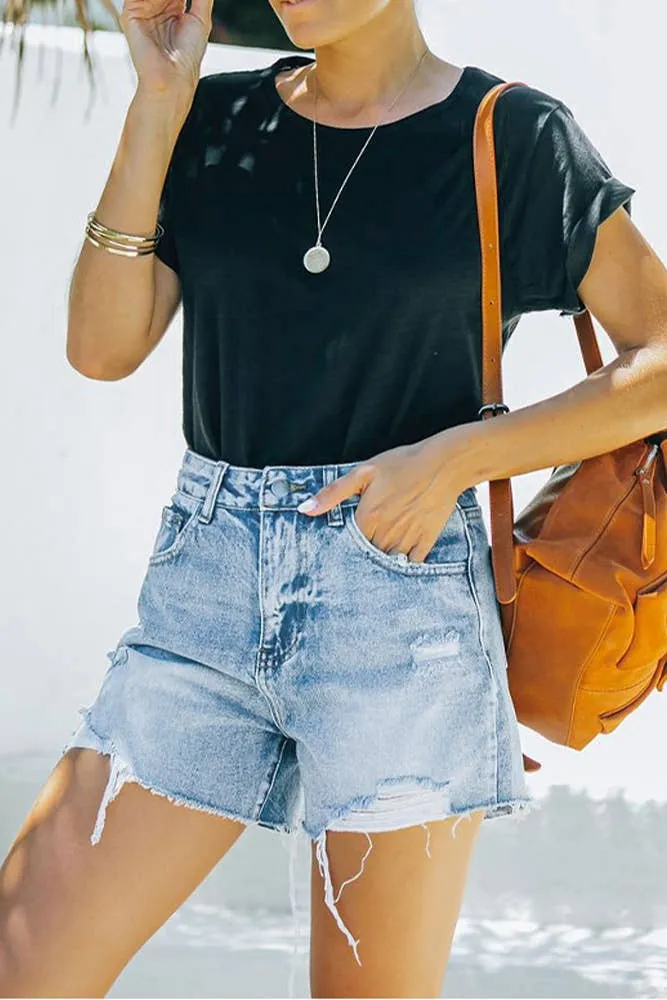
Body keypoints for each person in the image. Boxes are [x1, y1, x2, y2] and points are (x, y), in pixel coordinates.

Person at [2, 0, 666, 996]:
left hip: (404, 609)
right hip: (203, 601)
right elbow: (101, 349)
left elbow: (657, 358)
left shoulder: (511, 136)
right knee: (25, 962)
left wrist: (452, 458)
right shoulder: (216, 119)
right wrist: (157, 101)